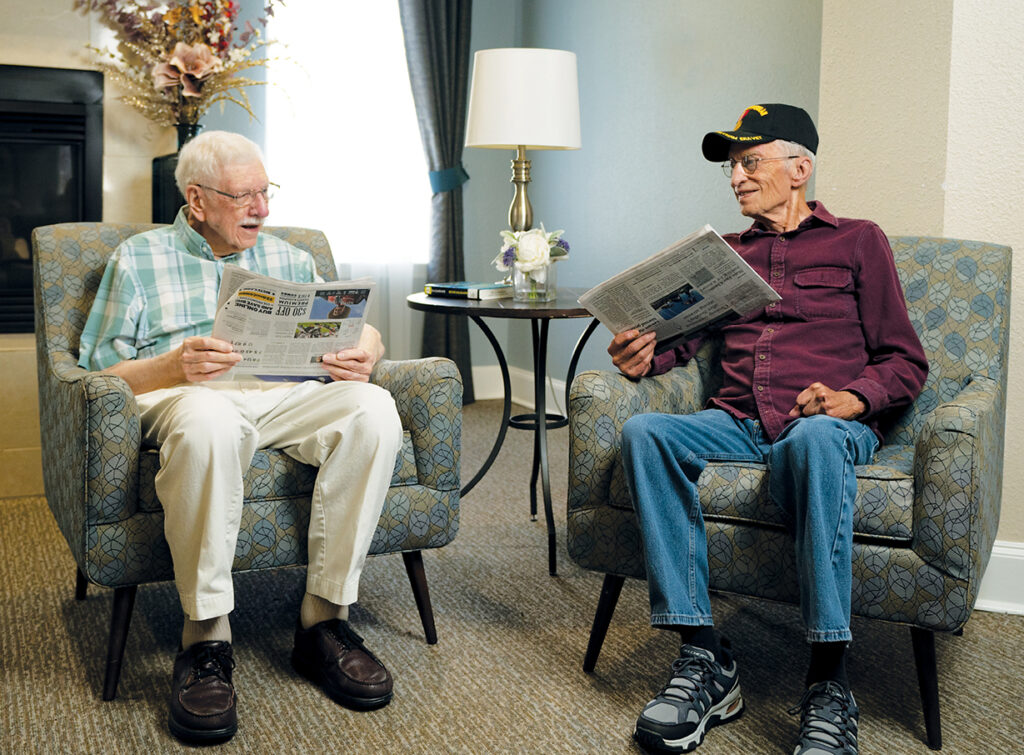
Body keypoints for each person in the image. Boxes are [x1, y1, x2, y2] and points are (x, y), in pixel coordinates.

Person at [609, 104, 928, 754]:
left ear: (799, 168)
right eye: (732, 167)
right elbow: (677, 347)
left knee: (811, 439)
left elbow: (904, 358)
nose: (736, 179)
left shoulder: (858, 240)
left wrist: (851, 398)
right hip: (736, 422)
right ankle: (703, 656)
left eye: (749, 162)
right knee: (647, 433)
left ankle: (829, 681)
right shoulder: (724, 257)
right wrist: (642, 353)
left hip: (823, 424)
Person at [77, 130, 404, 745]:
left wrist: (366, 351)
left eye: (266, 192)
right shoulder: (138, 259)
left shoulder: (289, 257)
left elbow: (360, 332)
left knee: (374, 408)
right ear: (197, 201)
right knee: (211, 421)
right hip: (187, 399)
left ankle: (324, 621)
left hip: (283, 395)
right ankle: (205, 636)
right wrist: (171, 366)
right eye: (244, 195)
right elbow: (97, 371)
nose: (262, 209)